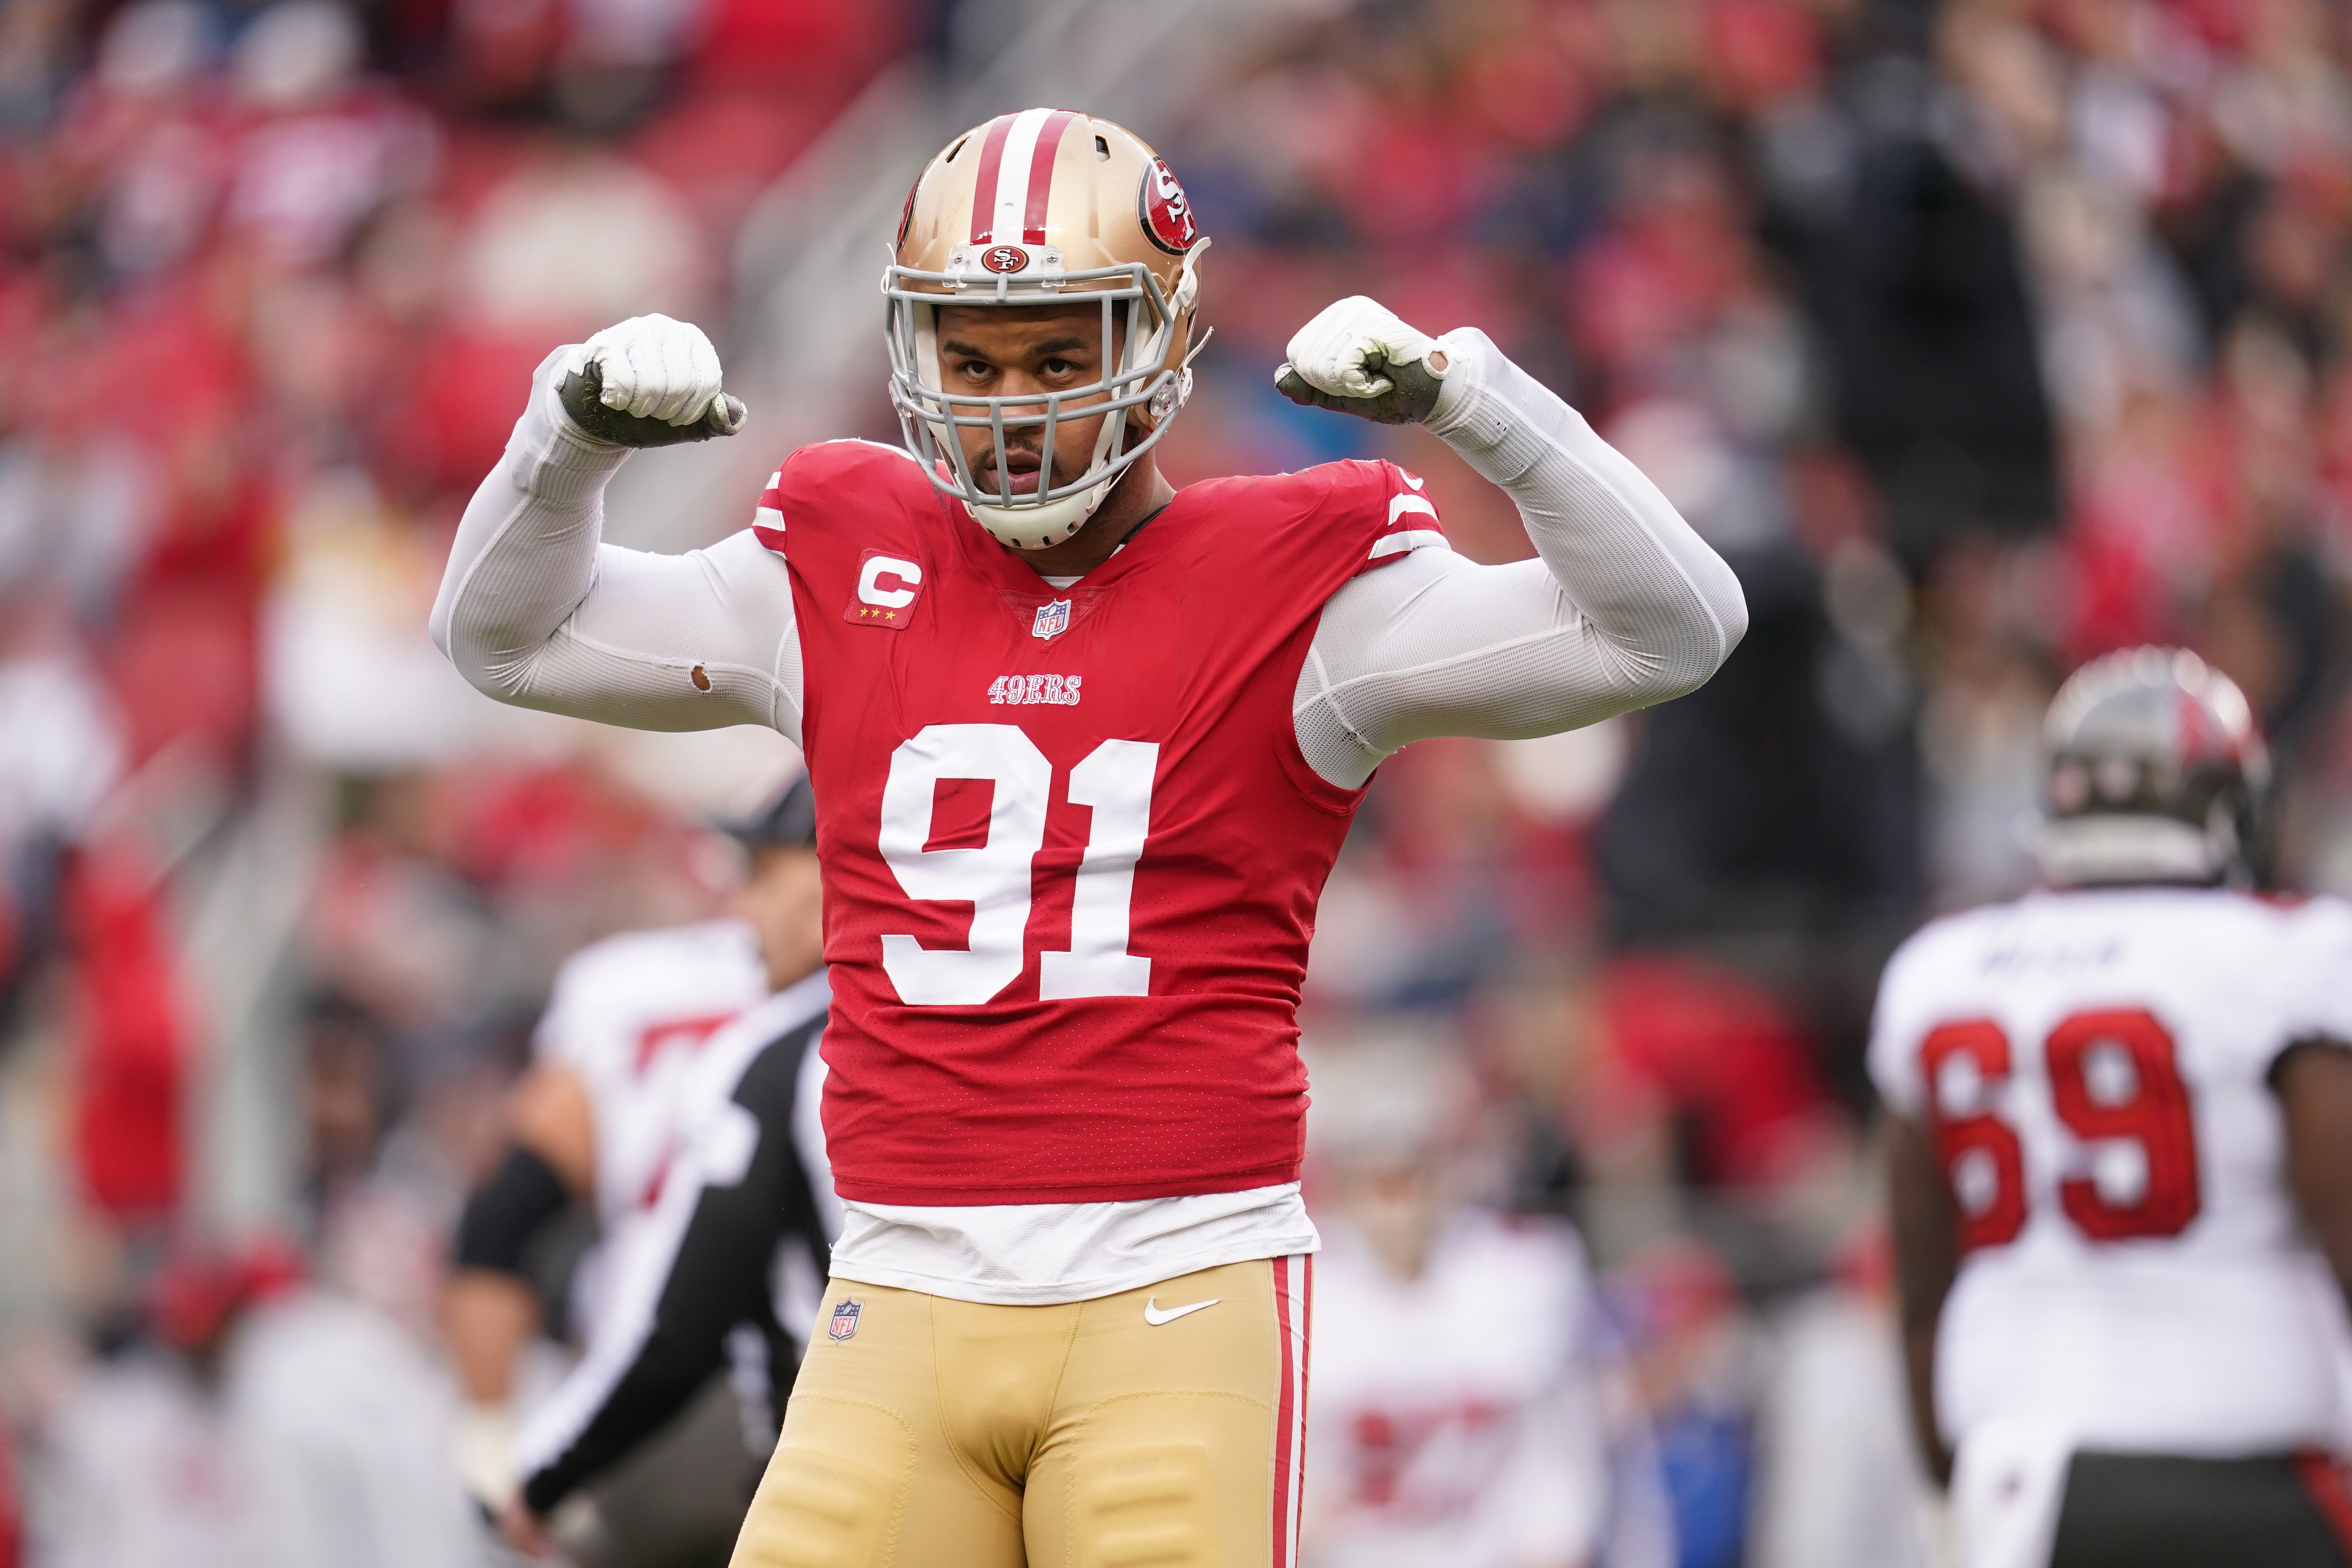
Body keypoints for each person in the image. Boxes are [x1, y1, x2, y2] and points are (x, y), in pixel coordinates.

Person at [431, 108, 1747, 1568]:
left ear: (1159, 341)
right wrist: (563, 442)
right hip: (899, 1293)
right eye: (972, 358)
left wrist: (1478, 406)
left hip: (1170, 1286)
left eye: (1059, 356)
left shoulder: (1295, 586)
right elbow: (504, 640)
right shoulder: (837, 554)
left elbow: (1671, 631)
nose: (1009, 403)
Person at [1871, 647, 2352, 1568]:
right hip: (2245, 1469)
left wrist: (1954, 1478)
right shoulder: (2287, 956)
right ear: (2228, 805)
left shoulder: (1941, 971)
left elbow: (1922, 1285)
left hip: (2015, 1479)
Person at [442, 775, 822, 1554]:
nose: (742, 904)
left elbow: (502, 1220)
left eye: (758, 873)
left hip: (673, 1403)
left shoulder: (639, 992)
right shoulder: (939, 996)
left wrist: (496, 1444)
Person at [1300, 1037, 1673, 1568]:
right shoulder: (1304, 1289)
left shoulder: (1530, 1269)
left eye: (1415, 1172)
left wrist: (1557, 1544)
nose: (1400, 1202)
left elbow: (1571, 1449)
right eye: (1380, 1180)